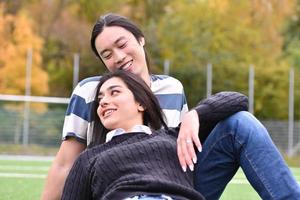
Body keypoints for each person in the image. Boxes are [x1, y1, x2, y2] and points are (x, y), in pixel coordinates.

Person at [42, 13, 241, 199]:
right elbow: (64, 165)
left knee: (242, 124)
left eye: (122, 44)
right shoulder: (89, 91)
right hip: (115, 187)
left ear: (140, 39)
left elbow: (180, 147)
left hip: (174, 184)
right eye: (107, 54)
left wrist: (194, 115)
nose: (118, 57)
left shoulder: (172, 88)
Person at [61, 70, 246, 200]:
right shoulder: (88, 158)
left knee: (243, 121)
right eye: (100, 99)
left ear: (141, 103)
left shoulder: (173, 136)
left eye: (114, 92)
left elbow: (238, 100)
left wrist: (195, 115)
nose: (104, 102)